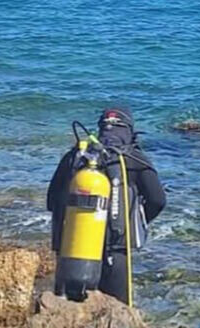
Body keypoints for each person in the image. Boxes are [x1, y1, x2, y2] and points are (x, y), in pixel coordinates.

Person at [47, 107, 166, 304]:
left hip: (73, 250)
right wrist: (135, 221)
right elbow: (158, 201)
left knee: (71, 311)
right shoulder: (134, 159)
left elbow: (52, 200)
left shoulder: (76, 156)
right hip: (116, 250)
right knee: (117, 313)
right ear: (129, 130)